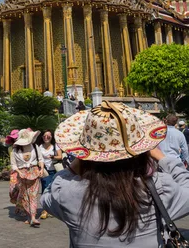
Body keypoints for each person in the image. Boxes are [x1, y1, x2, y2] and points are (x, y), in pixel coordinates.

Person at [40, 100, 189, 247]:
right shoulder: (158, 187)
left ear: (86, 157)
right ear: (142, 152)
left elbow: (47, 195)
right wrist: (162, 157)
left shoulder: (67, 193)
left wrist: (76, 163)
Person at [10, 128, 44, 227]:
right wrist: (19, 172)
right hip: (22, 174)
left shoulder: (35, 146)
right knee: (25, 196)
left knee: (33, 195)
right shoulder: (15, 150)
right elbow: (13, 165)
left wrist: (41, 169)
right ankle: (29, 217)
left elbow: (40, 159)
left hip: (34, 172)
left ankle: (33, 217)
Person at [39, 130, 63, 219]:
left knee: (54, 189)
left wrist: (52, 157)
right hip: (44, 170)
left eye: (48, 136)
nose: (46, 137)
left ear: (52, 137)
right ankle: (45, 210)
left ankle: (53, 208)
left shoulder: (55, 146)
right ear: (42, 137)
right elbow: (38, 158)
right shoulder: (39, 147)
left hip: (55, 170)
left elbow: (60, 156)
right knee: (45, 187)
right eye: (44, 136)